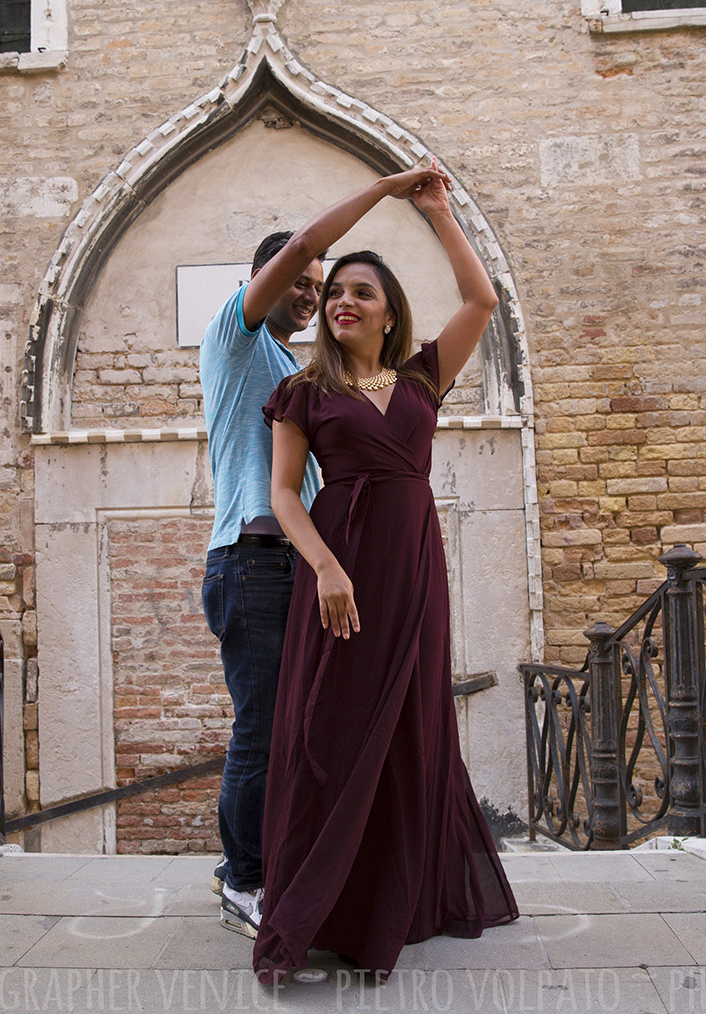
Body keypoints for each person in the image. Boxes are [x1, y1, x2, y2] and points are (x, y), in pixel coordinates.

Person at [250, 163, 520, 982]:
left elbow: (481, 301)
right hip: (341, 573)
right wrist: (327, 568)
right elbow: (284, 496)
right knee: (325, 734)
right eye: (335, 292)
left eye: (361, 291)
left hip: (411, 570)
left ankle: (392, 909)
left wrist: (438, 212)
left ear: (389, 310)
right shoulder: (303, 391)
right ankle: (306, 913)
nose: (342, 302)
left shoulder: (420, 378)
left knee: (411, 727)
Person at [198, 230, 326, 938]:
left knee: (280, 727)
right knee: (262, 730)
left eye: (318, 284)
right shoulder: (236, 336)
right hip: (250, 563)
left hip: (284, 567)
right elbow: (304, 242)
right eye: (299, 280)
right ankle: (246, 882)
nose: (308, 294)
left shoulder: (290, 364)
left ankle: (240, 865)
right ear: (262, 278)